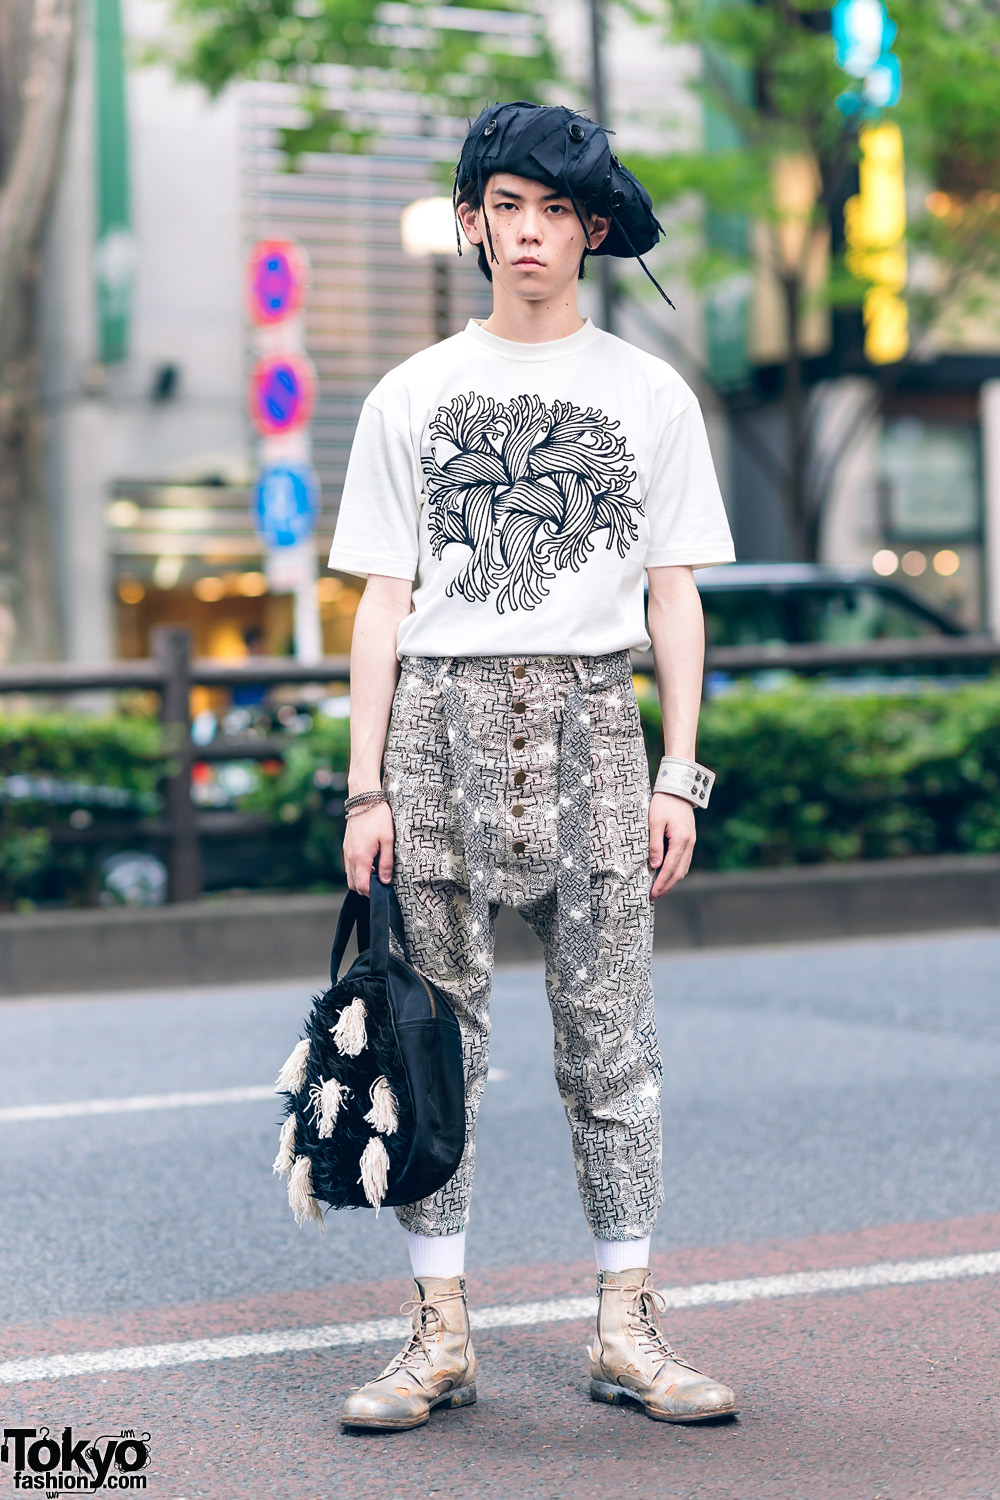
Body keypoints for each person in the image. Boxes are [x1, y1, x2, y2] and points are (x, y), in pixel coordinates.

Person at [327, 100, 737, 1432]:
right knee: (434, 1049)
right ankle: (436, 1333)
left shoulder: (646, 393)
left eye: (559, 211)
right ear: (471, 223)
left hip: (593, 729)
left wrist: (683, 771)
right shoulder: (411, 394)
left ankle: (628, 1326)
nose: (531, 234)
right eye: (507, 205)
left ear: (594, 231)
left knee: (614, 1050)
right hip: (434, 735)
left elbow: (673, 595)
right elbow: (380, 603)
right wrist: (365, 786)